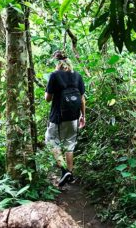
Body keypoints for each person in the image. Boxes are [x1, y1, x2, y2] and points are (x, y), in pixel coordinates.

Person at [45, 51, 86, 187]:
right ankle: (70, 174)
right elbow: (82, 99)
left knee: (51, 141)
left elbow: (47, 99)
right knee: (70, 145)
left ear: (57, 63)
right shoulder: (77, 76)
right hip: (73, 117)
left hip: (58, 117)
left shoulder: (54, 75)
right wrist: (83, 116)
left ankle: (64, 171)